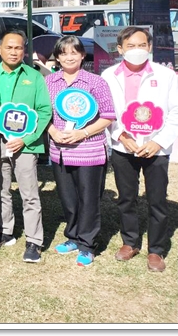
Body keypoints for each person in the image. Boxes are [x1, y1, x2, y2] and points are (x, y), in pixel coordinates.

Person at [101, 27, 178, 272]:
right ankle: (130, 242)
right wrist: (120, 135)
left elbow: (177, 112)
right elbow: (107, 112)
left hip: (156, 147)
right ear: (120, 48)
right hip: (124, 146)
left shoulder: (166, 75)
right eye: (131, 46)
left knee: (157, 200)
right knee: (127, 198)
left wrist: (159, 141)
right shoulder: (108, 75)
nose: (137, 50)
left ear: (150, 47)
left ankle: (156, 250)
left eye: (142, 45)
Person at [45, 36, 116, 267]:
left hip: (89, 150)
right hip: (60, 151)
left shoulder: (95, 82)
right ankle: (73, 237)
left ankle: (87, 244)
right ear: (57, 56)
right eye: (63, 53)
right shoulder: (50, 82)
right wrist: (52, 131)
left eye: (74, 52)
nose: (68, 57)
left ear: (82, 55)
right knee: (68, 199)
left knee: (88, 199)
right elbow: (43, 112)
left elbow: (107, 116)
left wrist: (82, 133)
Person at [0, 30, 52, 263]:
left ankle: (34, 240)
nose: (14, 52)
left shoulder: (34, 77)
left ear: (24, 51)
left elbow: (45, 110)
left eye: (18, 48)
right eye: (9, 47)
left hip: (26, 145)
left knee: (29, 193)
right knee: (1, 189)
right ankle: (6, 230)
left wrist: (26, 139)